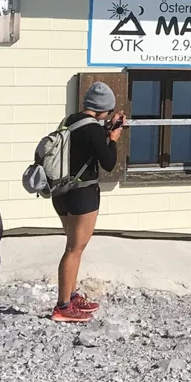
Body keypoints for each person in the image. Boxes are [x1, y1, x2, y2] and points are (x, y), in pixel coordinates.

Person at [50, 83, 124, 323]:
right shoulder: (93, 129)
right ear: (103, 110)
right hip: (83, 193)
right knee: (74, 249)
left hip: (61, 191)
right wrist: (113, 138)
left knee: (73, 246)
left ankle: (71, 297)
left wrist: (105, 134)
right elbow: (109, 162)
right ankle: (62, 306)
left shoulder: (69, 121)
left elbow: (82, 148)